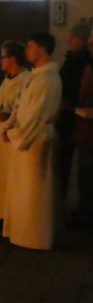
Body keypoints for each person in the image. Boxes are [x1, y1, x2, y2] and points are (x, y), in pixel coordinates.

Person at [2, 32, 62, 250]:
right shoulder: (36, 76)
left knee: (33, 190)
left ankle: (33, 235)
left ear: (42, 49)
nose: (26, 51)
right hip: (28, 137)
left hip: (36, 138)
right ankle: (22, 232)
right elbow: (21, 107)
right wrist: (10, 124)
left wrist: (14, 133)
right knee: (23, 188)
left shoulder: (47, 79)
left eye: (30, 46)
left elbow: (35, 115)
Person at [0, 41, 30, 220]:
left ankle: (12, 215)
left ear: (13, 59)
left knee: (13, 177)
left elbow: (24, 108)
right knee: (1, 176)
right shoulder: (7, 80)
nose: (0, 60)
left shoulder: (26, 79)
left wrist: (4, 115)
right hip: (1, 134)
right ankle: (1, 213)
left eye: (3, 57)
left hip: (14, 135)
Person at [57, 24, 91, 207]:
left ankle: (84, 207)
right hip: (66, 116)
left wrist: (69, 102)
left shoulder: (86, 62)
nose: (69, 40)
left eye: (74, 37)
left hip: (80, 117)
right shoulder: (70, 59)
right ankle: (59, 199)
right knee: (63, 161)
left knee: (85, 167)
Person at [73, 27, 93, 230]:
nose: (90, 48)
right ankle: (84, 211)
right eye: (89, 44)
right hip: (85, 130)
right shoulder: (88, 66)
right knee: (84, 174)